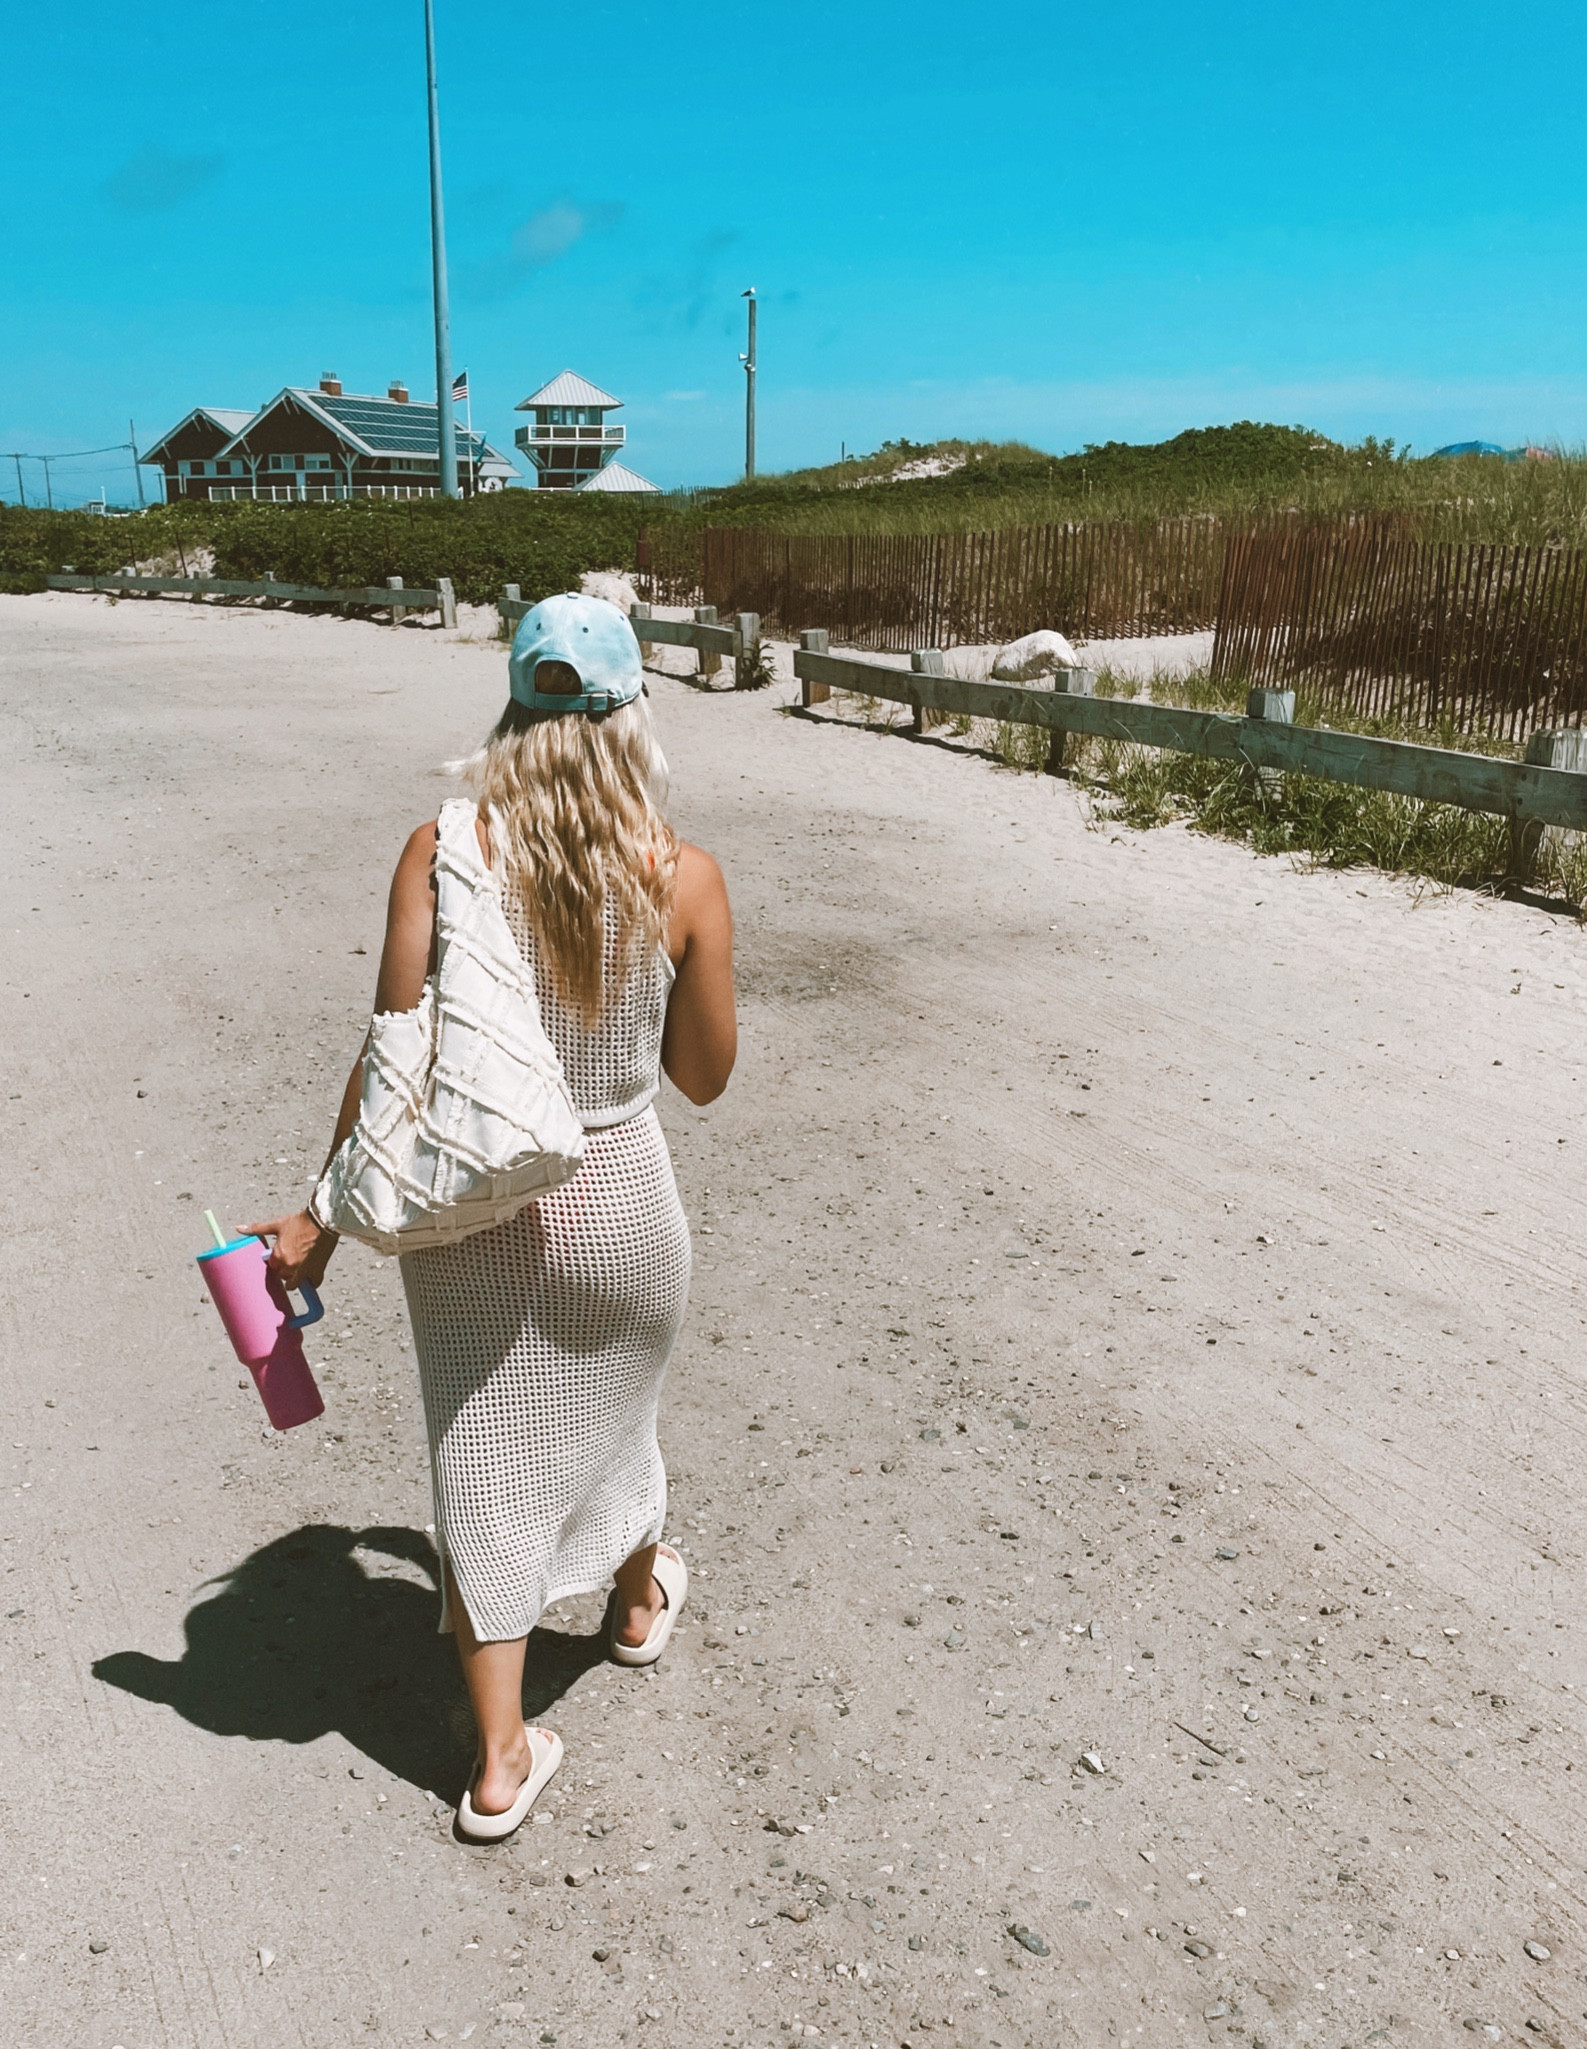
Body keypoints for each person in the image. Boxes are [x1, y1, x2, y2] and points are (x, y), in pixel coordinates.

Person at [251, 593, 736, 1840]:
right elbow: (703, 1077)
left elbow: (393, 1056)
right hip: (621, 1198)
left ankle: (502, 1759)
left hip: (472, 1206)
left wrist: (319, 1219)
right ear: (633, 716)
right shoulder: (682, 876)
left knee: (485, 1452)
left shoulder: (437, 849)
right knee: (617, 1410)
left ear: (515, 707)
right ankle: (633, 1607)